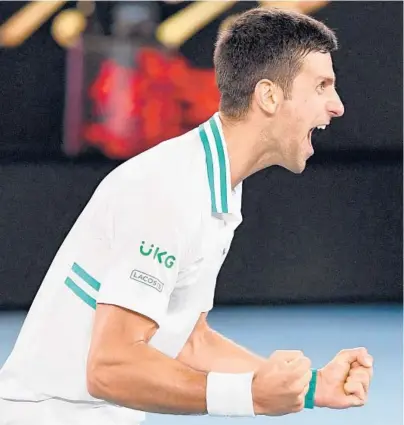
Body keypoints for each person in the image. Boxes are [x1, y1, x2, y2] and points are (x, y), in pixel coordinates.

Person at [0, 7, 373, 425]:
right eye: (322, 86)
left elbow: (185, 341)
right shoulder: (170, 188)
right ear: (269, 96)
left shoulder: (216, 184)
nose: (337, 106)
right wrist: (248, 395)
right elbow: (109, 367)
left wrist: (309, 389)